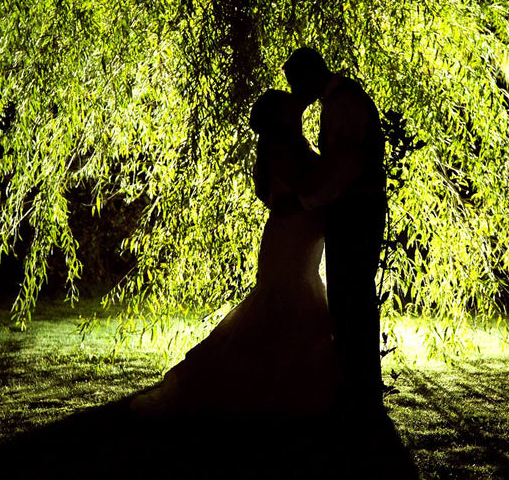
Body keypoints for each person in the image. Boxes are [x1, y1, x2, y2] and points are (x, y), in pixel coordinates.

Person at [129, 90, 338, 418]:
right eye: (288, 105)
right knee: (287, 300)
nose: (295, 106)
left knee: (297, 299)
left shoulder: (290, 145)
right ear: (280, 117)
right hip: (290, 239)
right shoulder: (281, 147)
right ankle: (274, 391)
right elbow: (308, 189)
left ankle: (292, 389)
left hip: (300, 237)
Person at [282, 47, 387, 413]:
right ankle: (359, 381)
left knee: (351, 296)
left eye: (296, 83)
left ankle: (358, 384)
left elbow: (343, 168)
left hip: (356, 211)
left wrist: (305, 202)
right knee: (350, 296)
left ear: (311, 74)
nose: (296, 93)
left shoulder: (342, 104)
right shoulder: (343, 99)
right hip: (357, 209)